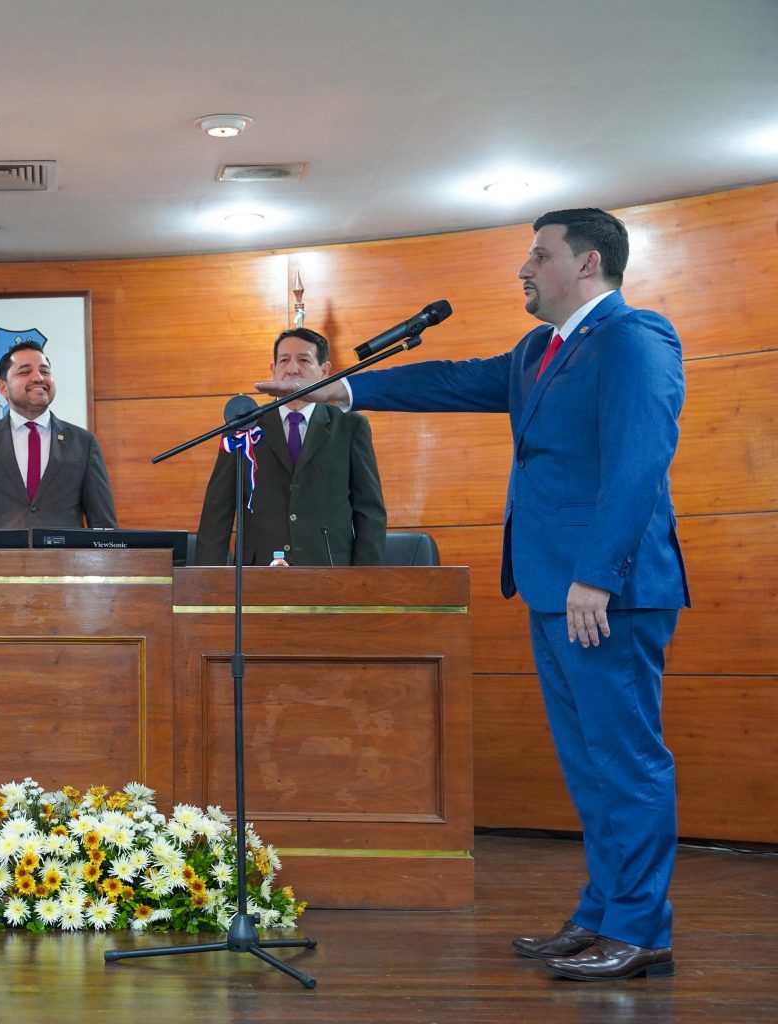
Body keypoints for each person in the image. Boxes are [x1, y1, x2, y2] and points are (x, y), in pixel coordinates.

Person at [257, 208, 688, 982]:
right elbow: (450, 380)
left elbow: (640, 459)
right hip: (554, 587)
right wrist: (338, 389)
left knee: (626, 761)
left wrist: (598, 573)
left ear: (587, 263)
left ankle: (640, 928)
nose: (524, 268)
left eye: (539, 255)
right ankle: (602, 912)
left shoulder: (634, 337)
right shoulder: (538, 351)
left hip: (607, 590)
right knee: (589, 765)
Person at [195, 327, 386, 565]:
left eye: (304, 360)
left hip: (329, 572)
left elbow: (369, 512)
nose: (292, 369)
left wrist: (366, 581)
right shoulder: (243, 426)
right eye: (284, 360)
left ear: (324, 370)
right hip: (258, 572)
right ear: (273, 369)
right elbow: (217, 510)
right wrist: (207, 581)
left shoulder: (350, 426)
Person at [0, 340, 117, 529]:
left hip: (64, 550)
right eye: (25, 372)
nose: (38, 378)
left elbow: (103, 525)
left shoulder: (83, 443)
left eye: (45, 371)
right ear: (3, 388)